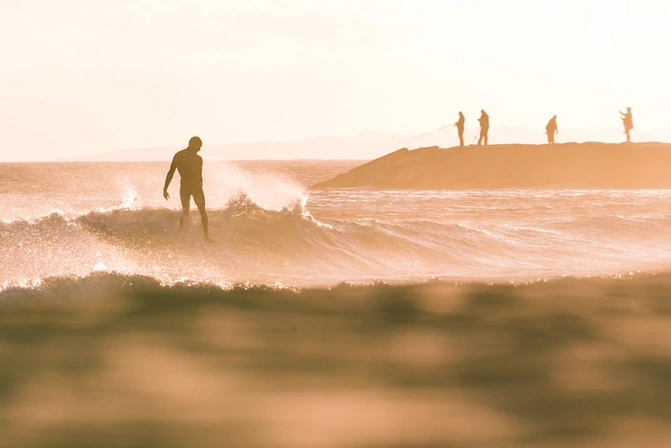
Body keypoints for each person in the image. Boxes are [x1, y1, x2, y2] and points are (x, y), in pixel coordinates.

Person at [163, 136, 214, 242]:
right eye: (199, 146)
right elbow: (171, 173)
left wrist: (165, 189)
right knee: (195, 212)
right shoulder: (193, 158)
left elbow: (199, 176)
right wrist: (165, 188)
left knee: (186, 211)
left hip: (189, 188)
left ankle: (201, 236)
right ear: (192, 144)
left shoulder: (181, 156)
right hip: (193, 188)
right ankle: (204, 237)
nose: (200, 149)